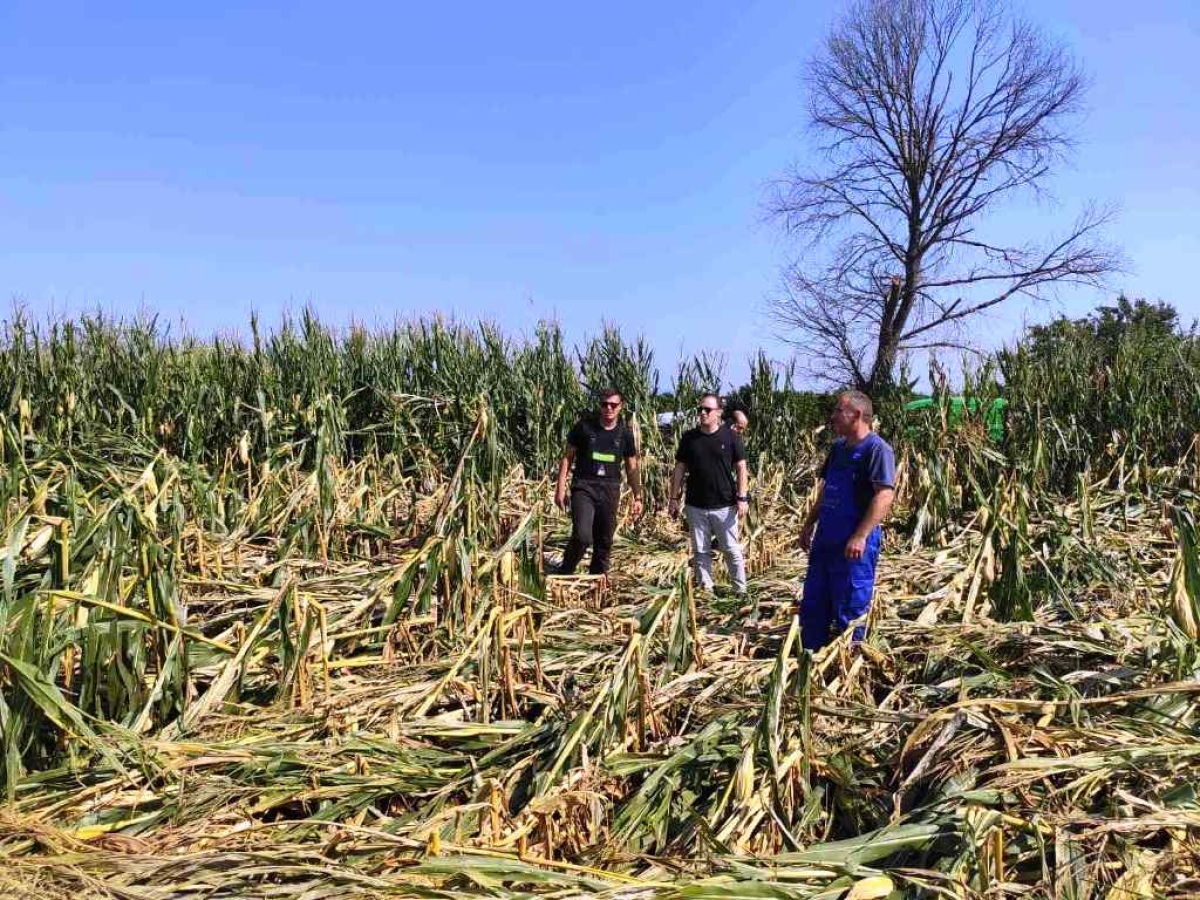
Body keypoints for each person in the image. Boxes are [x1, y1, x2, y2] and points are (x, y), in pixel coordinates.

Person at [798, 391, 895, 650]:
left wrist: (861, 535)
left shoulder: (877, 450)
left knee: (850, 606)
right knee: (814, 603)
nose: (832, 417)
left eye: (839, 411)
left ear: (858, 415)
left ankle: (849, 663)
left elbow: (884, 495)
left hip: (853, 545)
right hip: (826, 539)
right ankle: (810, 658)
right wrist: (809, 524)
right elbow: (827, 490)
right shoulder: (838, 449)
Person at [555, 389, 644, 576]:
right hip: (584, 487)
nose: (608, 408)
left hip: (610, 490)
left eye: (613, 405)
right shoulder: (584, 428)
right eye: (605, 404)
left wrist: (638, 496)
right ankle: (566, 569)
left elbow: (632, 467)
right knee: (582, 536)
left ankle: (597, 580)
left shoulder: (625, 435)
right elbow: (567, 458)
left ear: (621, 406)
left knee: (604, 540)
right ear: (600, 405)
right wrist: (560, 488)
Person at [668, 393, 749, 595]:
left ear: (719, 413)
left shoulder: (731, 437)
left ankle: (740, 590)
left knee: (731, 549)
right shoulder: (689, 438)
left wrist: (742, 497)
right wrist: (673, 498)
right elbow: (679, 469)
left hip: (724, 505)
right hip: (696, 505)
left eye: (707, 410)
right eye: (700, 410)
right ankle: (706, 590)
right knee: (701, 551)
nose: (702, 413)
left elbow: (741, 467)